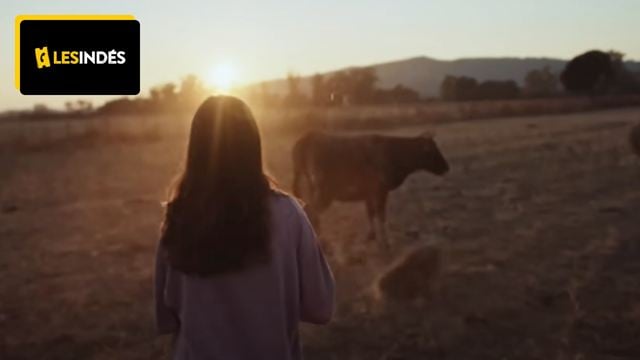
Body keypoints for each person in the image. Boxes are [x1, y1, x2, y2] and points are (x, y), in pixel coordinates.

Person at [154, 96, 335, 360]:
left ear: (195, 149)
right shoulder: (288, 215)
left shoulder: (179, 216)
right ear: (253, 146)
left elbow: (166, 315)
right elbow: (320, 308)